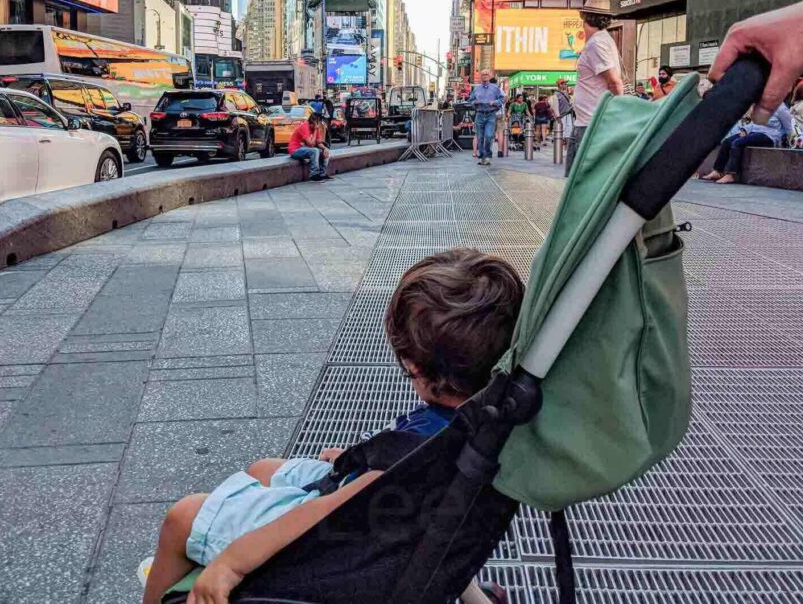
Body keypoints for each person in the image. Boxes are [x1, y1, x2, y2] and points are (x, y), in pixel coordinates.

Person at [139, 249, 525, 604]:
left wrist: (232, 563)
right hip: (391, 504)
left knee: (183, 517)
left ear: (415, 369)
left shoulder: (409, 461)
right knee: (263, 469)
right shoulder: (481, 421)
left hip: (345, 526)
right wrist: (357, 461)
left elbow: (323, 511)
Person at [571, 0, 623, 176]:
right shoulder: (601, 40)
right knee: (579, 179)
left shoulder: (596, 44)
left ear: (585, 17)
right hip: (588, 120)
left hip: (590, 123)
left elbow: (614, 81)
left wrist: (619, 112)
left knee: (582, 179)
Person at [701, 103, 794, 184]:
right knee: (727, 142)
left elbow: (788, 129)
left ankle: (731, 174)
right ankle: (718, 170)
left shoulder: (781, 109)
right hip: (752, 131)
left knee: (737, 143)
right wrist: (746, 129)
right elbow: (755, 123)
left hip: (769, 135)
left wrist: (782, 139)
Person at [468, 69, 505, 166]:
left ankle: (488, 155)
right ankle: (482, 157)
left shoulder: (495, 88)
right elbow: (470, 101)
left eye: (486, 74)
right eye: (483, 74)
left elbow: (502, 99)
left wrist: (495, 102)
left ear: (489, 76)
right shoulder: (476, 89)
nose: (484, 76)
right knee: (480, 137)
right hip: (479, 114)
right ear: (480, 76)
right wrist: (475, 103)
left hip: (491, 115)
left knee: (489, 136)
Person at [287, 114, 330, 182]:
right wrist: (316, 130)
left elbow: (319, 142)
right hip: (295, 150)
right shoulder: (304, 126)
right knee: (315, 150)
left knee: (325, 151)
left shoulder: (316, 128)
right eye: (319, 122)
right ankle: (313, 175)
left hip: (305, 149)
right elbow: (311, 144)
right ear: (314, 122)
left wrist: (324, 149)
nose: (320, 125)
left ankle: (322, 174)